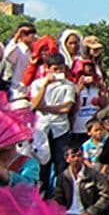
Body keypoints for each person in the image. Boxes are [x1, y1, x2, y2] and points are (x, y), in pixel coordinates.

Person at [30, 53, 77, 198]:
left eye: (61, 69)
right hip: (42, 128)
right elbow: (34, 104)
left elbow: (66, 108)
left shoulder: (69, 85)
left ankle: (60, 196)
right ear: (48, 69)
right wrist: (45, 85)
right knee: (43, 163)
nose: (58, 73)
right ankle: (42, 195)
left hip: (60, 127)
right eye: (55, 69)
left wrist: (46, 108)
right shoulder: (37, 84)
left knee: (60, 163)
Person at [1, 22, 38, 99]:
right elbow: (7, 55)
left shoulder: (36, 50)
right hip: (17, 91)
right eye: (26, 33)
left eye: (33, 32)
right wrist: (16, 37)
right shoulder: (17, 49)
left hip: (33, 91)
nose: (31, 35)